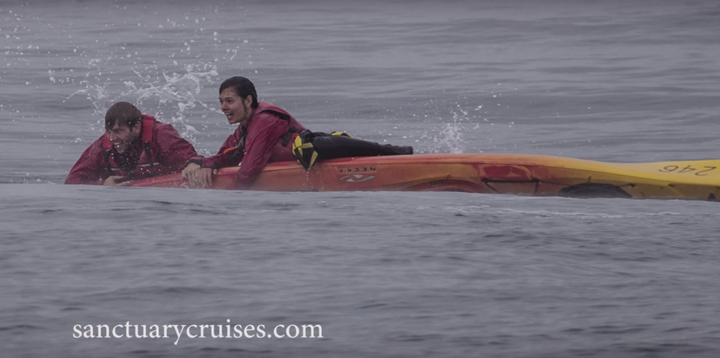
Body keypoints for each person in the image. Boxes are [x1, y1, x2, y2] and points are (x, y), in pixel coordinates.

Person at [182, 76, 412, 189]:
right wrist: (201, 163)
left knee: (380, 152)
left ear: (248, 100)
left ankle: (400, 154)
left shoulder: (263, 121)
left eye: (229, 101)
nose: (223, 107)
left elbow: (249, 170)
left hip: (322, 151)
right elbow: (226, 155)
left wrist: (223, 199)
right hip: (311, 157)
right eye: (221, 101)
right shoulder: (243, 130)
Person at [65, 102, 199, 186]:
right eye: (109, 131)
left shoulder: (161, 136)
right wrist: (103, 184)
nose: (112, 138)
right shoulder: (102, 147)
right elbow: (72, 181)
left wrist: (193, 164)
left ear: (136, 127)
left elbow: (195, 162)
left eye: (119, 131)